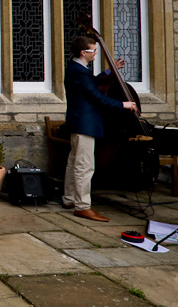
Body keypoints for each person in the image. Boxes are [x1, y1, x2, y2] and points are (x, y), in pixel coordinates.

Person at [62, 36, 136, 222]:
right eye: (93, 51)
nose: (96, 53)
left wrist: (109, 72)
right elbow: (98, 97)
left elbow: (92, 82)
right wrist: (123, 105)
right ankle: (83, 206)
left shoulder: (76, 68)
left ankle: (69, 199)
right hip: (85, 123)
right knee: (84, 166)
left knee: (74, 163)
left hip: (79, 122)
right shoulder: (78, 71)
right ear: (83, 53)